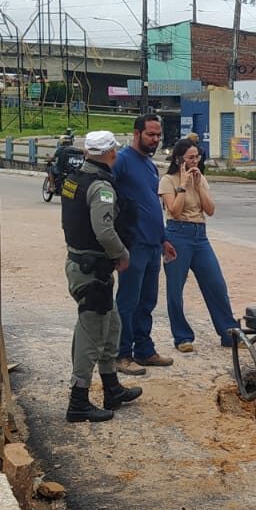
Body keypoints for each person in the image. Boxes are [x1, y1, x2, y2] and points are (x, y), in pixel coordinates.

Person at [60, 130, 143, 422]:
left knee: (111, 326)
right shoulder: (100, 187)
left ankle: (111, 388)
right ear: (111, 154)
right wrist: (122, 254)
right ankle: (78, 401)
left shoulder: (75, 179)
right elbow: (105, 230)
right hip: (91, 270)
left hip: (85, 265)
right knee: (91, 335)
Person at [158, 138, 239, 352]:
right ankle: (182, 337)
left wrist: (197, 185)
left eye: (197, 157)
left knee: (216, 284)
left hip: (200, 235)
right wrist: (183, 186)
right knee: (175, 289)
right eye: (190, 158)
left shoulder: (200, 178)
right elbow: (174, 211)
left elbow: (210, 210)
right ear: (179, 159)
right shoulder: (168, 180)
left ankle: (229, 332)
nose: (195, 161)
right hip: (177, 234)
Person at [112, 114, 178, 376]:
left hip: (152, 245)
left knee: (147, 301)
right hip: (133, 245)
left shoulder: (150, 166)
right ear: (137, 133)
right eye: (151, 134)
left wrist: (163, 239)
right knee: (128, 301)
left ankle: (144, 350)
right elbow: (106, 193)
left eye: (158, 135)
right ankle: (121, 354)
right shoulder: (122, 161)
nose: (156, 139)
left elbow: (152, 205)